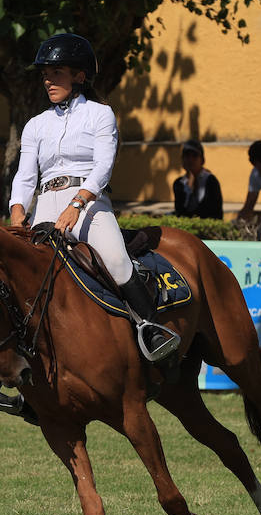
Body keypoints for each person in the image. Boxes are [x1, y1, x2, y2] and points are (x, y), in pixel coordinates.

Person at [9, 33, 181, 365]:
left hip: (89, 206)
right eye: (45, 73)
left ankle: (153, 331)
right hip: (45, 203)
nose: (48, 80)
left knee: (117, 262)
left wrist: (77, 204)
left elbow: (103, 166)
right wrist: (17, 213)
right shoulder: (34, 125)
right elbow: (25, 176)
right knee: (20, 277)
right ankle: (16, 366)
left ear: (79, 76)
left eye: (56, 72)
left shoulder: (100, 115)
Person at [172, 139, 223, 220]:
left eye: (194, 156)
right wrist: (189, 188)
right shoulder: (179, 184)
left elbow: (216, 213)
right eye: (187, 156)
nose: (190, 159)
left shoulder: (210, 181)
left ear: (202, 160)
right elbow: (180, 212)